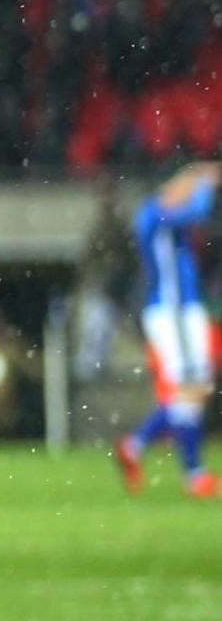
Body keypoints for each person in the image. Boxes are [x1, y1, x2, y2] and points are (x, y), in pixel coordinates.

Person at [114, 162, 218, 498]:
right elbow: (198, 210)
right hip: (173, 312)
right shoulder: (154, 214)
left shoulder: (159, 213)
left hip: (180, 310)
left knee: (191, 390)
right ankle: (193, 474)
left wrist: (197, 174)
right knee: (188, 389)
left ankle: (136, 446)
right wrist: (205, 183)